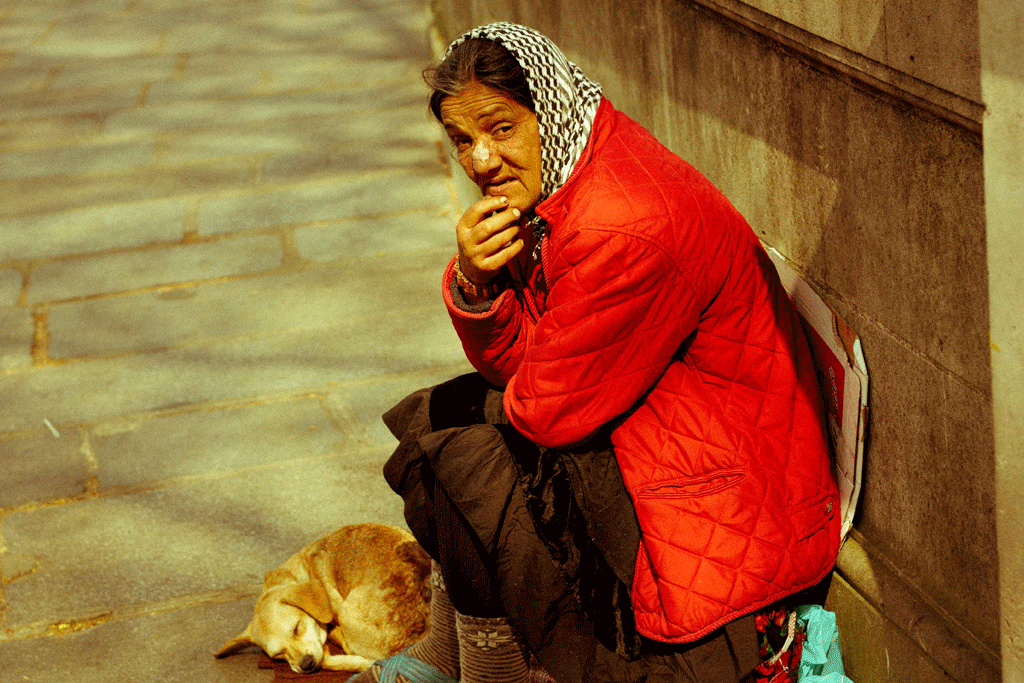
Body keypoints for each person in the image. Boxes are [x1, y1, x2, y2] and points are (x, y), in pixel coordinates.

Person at [349, 22, 841, 683]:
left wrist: (503, 304)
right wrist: (476, 282)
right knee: (440, 419)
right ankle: (450, 655)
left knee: (464, 462)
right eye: (462, 139)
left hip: (726, 508)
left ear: (547, 110)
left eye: (501, 129)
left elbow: (544, 409)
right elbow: (520, 364)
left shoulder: (620, 223)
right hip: (672, 437)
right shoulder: (569, 173)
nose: (481, 160)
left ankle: (493, 673)